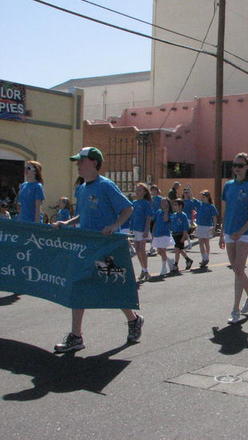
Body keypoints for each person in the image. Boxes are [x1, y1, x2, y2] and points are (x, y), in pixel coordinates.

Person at [52, 147, 142, 353]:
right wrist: (67, 222)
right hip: (86, 247)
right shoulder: (81, 189)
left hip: (105, 248)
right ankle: (76, 336)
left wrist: (114, 225)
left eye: (81, 161)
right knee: (78, 286)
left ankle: (133, 319)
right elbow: (83, 215)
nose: (78, 165)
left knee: (111, 287)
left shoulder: (106, 186)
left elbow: (128, 209)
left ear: (93, 162)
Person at [219, 153, 248, 323]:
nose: (237, 167)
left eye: (240, 165)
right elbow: (225, 211)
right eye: (235, 164)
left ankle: (235, 309)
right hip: (229, 231)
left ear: (247, 167)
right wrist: (223, 233)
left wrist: (241, 230)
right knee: (237, 270)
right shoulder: (228, 186)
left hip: (244, 234)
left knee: (238, 268)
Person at [131, 183, 154, 283]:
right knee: (137, 250)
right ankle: (143, 269)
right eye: (137, 189)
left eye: (140, 190)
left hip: (142, 229)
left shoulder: (146, 203)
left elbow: (149, 217)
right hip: (135, 229)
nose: (137, 191)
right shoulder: (134, 203)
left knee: (142, 250)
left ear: (144, 192)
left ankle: (145, 270)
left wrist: (146, 230)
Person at [194, 190, 218, 268]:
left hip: (207, 226)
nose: (202, 198)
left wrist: (214, 227)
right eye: (202, 197)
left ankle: (206, 257)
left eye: (204, 197)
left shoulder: (211, 206)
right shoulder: (200, 205)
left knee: (206, 242)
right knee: (201, 242)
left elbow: (214, 218)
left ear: (208, 197)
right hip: (200, 226)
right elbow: (192, 199)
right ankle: (204, 258)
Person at [152, 197, 176, 275]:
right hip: (157, 234)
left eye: (165, 202)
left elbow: (166, 220)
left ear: (168, 203)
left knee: (162, 250)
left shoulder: (170, 213)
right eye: (162, 202)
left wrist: (166, 211)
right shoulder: (158, 211)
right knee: (159, 251)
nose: (163, 203)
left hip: (164, 234)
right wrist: (153, 232)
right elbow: (155, 223)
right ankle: (170, 261)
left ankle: (164, 268)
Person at [170, 199, 193, 271]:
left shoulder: (183, 215)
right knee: (179, 250)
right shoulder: (173, 215)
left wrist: (184, 236)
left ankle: (175, 265)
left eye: (176, 205)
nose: (174, 206)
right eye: (174, 205)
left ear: (180, 206)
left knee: (177, 249)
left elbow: (185, 228)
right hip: (174, 235)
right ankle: (188, 260)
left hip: (180, 235)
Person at [148, 185, 162, 256]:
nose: (153, 191)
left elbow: (162, 208)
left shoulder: (160, 199)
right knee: (152, 233)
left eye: (154, 190)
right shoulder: (150, 199)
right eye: (152, 190)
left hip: (158, 218)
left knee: (155, 233)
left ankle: (153, 248)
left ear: (157, 191)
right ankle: (153, 247)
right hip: (151, 218)